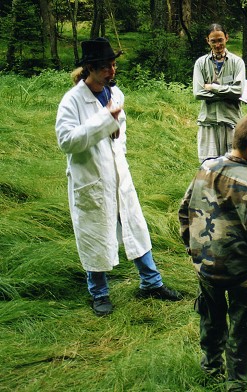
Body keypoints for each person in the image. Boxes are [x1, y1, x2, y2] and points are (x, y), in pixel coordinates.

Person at [55, 37, 182, 317]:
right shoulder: (72, 100)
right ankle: (98, 293)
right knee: (94, 233)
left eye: (113, 65)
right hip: (90, 177)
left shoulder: (115, 93)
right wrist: (104, 121)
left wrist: (116, 136)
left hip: (118, 174)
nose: (112, 71)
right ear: (89, 68)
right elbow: (66, 141)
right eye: (106, 67)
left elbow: (118, 132)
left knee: (135, 226)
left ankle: (151, 282)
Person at [178, 112, 247, 391]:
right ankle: (238, 379)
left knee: (210, 317)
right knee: (244, 324)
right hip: (240, 272)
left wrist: (191, 245)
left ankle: (211, 367)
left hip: (205, 265)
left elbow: (185, 208)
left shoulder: (206, 168)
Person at [193, 23, 245, 162]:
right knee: (209, 164)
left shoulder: (237, 62)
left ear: (226, 38)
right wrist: (227, 93)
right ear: (207, 41)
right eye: (213, 41)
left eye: (220, 40)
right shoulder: (200, 63)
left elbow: (238, 91)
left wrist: (213, 88)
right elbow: (198, 93)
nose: (217, 45)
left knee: (233, 163)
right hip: (208, 121)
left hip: (231, 120)